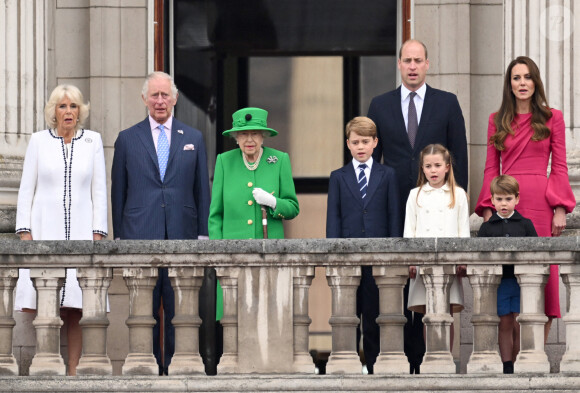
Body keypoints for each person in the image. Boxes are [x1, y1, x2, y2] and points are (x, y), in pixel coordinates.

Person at [367, 39, 468, 373]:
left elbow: (460, 159)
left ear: (428, 64)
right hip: (393, 208)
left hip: (439, 209)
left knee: (434, 292)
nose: (412, 66)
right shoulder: (379, 105)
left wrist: (458, 205)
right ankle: (400, 361)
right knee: (398, 286)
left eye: (418, 60)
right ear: (399, 64)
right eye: (407, 60)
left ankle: (430, 361)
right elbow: (370, 159)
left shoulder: (447, 103)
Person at [111, 71, 211, 375]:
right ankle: (149, 370)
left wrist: (203, 235)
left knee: (180, 311)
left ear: (175, 98)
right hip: (140, 236)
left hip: (182, 236)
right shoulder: (127, 139)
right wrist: (119, 239)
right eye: (154, 95)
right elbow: (119, 191)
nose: (159, 101)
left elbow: (201, 190)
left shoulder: (193, 138)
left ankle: (176, 369)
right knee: (144, 313)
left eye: (165, 95)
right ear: (144, 99)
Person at [475, 56, 576, 341]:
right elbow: (490, 167)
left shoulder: (552, 117)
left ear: (536, 82)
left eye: (528, 77)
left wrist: (559, 207)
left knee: (543, 281)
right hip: (506, 202)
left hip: (541, 205)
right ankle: (514, 358)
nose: (522, 83)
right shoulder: (496, 120)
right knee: (511, 281)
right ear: (509, 84)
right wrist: (487, 209)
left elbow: (559, 166)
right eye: (517, 78)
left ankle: (536, 356)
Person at [14, 84, 108, 376]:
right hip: (45, 232)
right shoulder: (38, 141)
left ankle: (74, 370)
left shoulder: (93, 141)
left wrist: (97, 234)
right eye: (63, 106)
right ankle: (47, 363)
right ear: (53, 111)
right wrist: (25, 232)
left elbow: (99, 191)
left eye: (74, 106)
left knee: (76, 306)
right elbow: (26, 189)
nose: (69, 112)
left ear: (81, 111)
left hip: (81, 232)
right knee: (47, 302)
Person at [326, 116, 401, 374]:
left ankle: (373, 368)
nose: (360, 146)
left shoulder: (388, 174)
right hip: (347, 259)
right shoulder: (338, 177)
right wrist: (333, 259)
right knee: (348, 316)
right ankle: (348, 368)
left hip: (379, 259)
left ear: (375, 143)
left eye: (365, 141)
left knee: (373, 316)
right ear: (348, 144)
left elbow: (393, 216)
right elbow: (333, 219)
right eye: (355, 142)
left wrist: (393, 257)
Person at [404, 144, 469, 352]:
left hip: (449, 264)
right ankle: (431, 356)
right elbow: (409, 231)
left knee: (446, 314)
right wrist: (411, 261)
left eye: (437, 165)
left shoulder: (458, 194)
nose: (433, 170)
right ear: (422, 169)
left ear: (447, 167)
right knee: (428, 315)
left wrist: (462, 260)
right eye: (428, 166)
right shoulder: (415, 195)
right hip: (424, 265)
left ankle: (446, 357)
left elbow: (463, 231)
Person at [477, 175, 537, 374]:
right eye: (499, 199)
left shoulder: (526, 224)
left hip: (522, 284)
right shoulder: (486, 228)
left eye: (508, 199)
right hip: (500, 283)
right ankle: (507, 364)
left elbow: (536, 254)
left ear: (517, 199)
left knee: (521, 322)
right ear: (492, 200)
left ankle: (519, 361)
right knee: (504, 323)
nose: (504, 203)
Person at [208, 107, 299, 239]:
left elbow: (293, 209)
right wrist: (217, 252)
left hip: (269, 249)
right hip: (232, 250)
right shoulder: (224, 161)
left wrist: (273, 202)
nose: (249, 140)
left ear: (263, 136)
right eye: (244, 134)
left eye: (255, 133)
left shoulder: (280, 160)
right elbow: (215, 215)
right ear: (236, 137)